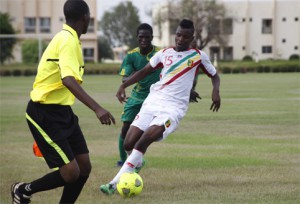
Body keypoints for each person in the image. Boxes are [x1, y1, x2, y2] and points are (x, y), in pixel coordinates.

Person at [100, 19, 221, 195]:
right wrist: (123, 86)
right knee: (128, 142)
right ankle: (137, 162)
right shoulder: (164, 53)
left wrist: (215, 91)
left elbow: (215, 76)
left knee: (144, 140)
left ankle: (113, 183)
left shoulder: (198, 56)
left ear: (191, 38)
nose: (180, 39)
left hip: (173, 109)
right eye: (178, 35)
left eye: (185, 36)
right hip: (153, 101)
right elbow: (143, 72)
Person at [11, 1, 115, 203]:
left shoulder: (70, 39)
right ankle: (23, 189)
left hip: (63, 112)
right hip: (43, 113)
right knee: (70, 172)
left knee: (84, 167)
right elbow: (68, 80)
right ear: (85, 18)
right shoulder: (67, 40)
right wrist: (97, 108)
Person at [116, 23, 162, 167]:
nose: (144, 40)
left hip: (155, 98)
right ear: (137, 38)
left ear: (152, 38)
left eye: (147, 37)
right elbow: (125, 78)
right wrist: (126, 83)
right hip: (136, 97)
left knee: (148, 132)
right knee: (125, 128)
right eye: (141, 37)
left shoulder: (160, 54)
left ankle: (136, 159)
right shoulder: (131, 56)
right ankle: (124, 161)